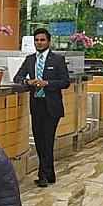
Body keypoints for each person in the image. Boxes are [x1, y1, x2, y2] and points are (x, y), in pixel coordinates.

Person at [13, 27, 70, 187]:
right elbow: (17, 76)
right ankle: (50, 174)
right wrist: (27, 82)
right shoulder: (30, 59)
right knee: (39, 140)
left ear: (48, 41)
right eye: (37, 40)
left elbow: (65, 82)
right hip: (36, 105)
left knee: (47, 140)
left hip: (52, 106)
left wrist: (47, 83)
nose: (39, 43)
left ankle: (42, 175)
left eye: (42, 40)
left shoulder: (57, 60)